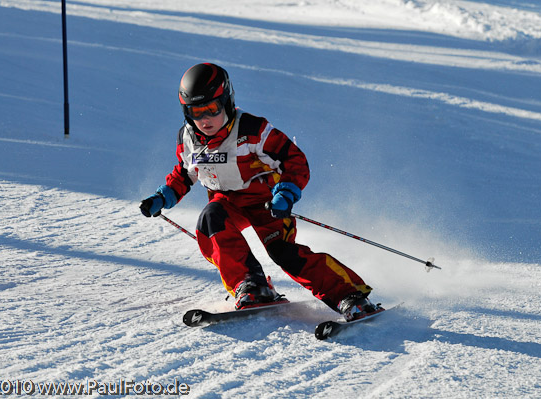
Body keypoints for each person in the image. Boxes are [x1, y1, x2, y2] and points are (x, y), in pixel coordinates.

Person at [140, 63, 379, 321]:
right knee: (211, 219)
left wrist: (285, 193)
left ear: (227, 102)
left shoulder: (253, 131)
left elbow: (294, 160)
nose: (205, 120)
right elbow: (186, 173)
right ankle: (252, 287)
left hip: (266, 202)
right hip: (227, 204)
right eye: (196, 112)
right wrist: (162, 197)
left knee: (283, 253)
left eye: (212, 109)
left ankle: (350, 296)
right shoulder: (188, 138)